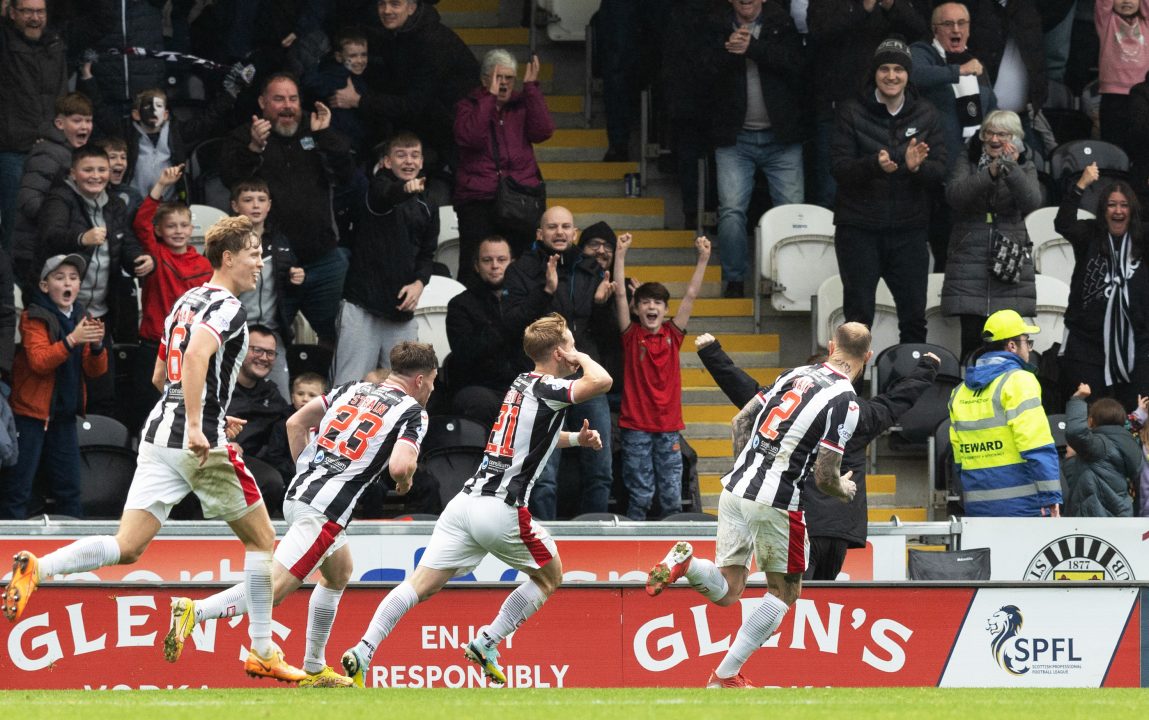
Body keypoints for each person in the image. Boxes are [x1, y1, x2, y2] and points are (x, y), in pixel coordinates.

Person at [1, 216, 305, 683]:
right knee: (263, 542)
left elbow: (162, 377)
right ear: (228, 257)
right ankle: (262, 649)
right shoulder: (227, 308)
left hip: (159, 434)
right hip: (195, 442)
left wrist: (209, 411)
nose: (259, 263)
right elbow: (199, 356)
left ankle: (39, 566)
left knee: (128, 547)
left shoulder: (186, 300)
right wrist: (204, 425)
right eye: (253, 252)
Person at [339, 313, 611, 688]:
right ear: (561, 351)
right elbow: (602, 381)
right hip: (500, 508)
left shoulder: (521, 384)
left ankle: (364, 648)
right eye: (569, 341)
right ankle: (487, 642)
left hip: (464, 504)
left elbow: (529, 441)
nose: (574, 346)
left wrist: (576, 440)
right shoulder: (549, 386)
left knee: (420, 585)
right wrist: (579, 355)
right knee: (550, 577)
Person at [163, 341, 438, 689]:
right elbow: (400, 465)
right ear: (419, 380)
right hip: (324, 511)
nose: (431, 387)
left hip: (301, 493)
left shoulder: (354, 388)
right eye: (432, 381)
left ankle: (314, 666)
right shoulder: (414, 412)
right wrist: (405, 480)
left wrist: (308, 474)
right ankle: (194, 611)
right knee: (274, 591)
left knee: (339, 572)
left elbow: (295, 423)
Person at [645, 322, 870, 687]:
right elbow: (825, 475)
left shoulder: (795, 374)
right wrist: (844, 490)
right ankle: (725, 675)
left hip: (736, 488)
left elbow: (740, 419)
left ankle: (688, 563)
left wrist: (745, 468)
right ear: (869, 358)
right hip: (777, 500)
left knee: (730, 590)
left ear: (831, 347)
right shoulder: (847, 402)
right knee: (785, 591)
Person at [694, 332, 939, 580]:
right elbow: (897, 400)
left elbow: (743, 389)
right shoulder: (862, 414)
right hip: (837, 530)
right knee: (817, 601)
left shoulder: (787, 408)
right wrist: (927, 367)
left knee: (790, 599)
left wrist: (711, 351)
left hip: (799, 518)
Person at [220, 73, 354, 347]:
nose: (287, 106)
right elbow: (231, 181)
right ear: (262, 102)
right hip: (271, 262)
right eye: (278, 99)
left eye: (293, 99)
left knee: (336, 338)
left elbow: (347, 175)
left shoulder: (314, 127)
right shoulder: (245, 135)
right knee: (269, 340)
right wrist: (253, 149)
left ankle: (329, 390)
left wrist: (325, 135)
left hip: (323, 258)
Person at [502, 207, 617, 519]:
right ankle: (542, 533)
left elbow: (607, 334)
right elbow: (511, 325)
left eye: (566, 226)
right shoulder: (521, 269)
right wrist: (546, 291)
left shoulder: (592, 268)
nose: (560, 232)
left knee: (600, 466)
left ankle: (595, 537)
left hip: (583, 373)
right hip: (545, 378)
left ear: (575, 232)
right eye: (552, 227)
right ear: (540, 233)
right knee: (545, 472)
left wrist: (601, 305)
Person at [832, 36, 946, 344]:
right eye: (885, 68)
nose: (892, 76)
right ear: (875, 72)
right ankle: (848, 391)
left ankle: (910, 390)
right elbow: (839, 167)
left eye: (899, 69)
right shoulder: (851, 111)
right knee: (857, 320)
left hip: (909, 231)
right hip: (859, 228)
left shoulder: (927, 113)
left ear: (908, 74)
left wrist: (916, 167)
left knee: (913, 319)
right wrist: (873, 165)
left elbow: (940, 172)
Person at [708, 0, 809, 299]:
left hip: (782, 139)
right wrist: (729, 51)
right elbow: (700, 72)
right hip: (734, 138)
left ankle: (790, 283)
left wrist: (753, 48)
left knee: (793, 213)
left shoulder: (782, 23)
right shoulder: (714, 24)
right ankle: (735, 279)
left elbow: (798, 67)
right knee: (730, 212)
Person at [0, 254, 107, 519]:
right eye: (59, 278)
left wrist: (97, 347)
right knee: (18, 489)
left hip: (64, 416)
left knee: (70, 489)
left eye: (73, 278)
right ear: (45, 286)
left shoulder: (83, 315)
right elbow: (39, 361)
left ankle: (76, 553)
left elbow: (95, 371)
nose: (67, 283)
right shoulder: (33, 316)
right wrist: (72, 339)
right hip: (30, 415)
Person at [612, 232, 710, 520]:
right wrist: (621, 253)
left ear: (666, 310)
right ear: (636, 308)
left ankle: (675, 551)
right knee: (640, 495)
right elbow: (619, 292)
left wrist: (703, 258)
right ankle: (634, 551)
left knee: (670, 495)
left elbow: (691, 294)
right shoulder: (631, 336)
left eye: (658, 303)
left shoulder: (673, 334)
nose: (652, 307)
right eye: (645, 302)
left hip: (668, 429)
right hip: (635, 429)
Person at [334, 132, 437, 384]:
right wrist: (405, 190)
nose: (409, 161)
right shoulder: (376, 187)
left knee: (408, 386)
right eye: (401, 155)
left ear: (422, 161)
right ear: (387, 161)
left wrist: (419, 283)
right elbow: (387, 195)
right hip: (362, 306)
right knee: (348, 387)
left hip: (400, 311)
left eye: (414, 155)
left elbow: (428, 252)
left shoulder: (427, 203)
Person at [941, 110, 1042, 360]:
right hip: (969, 254)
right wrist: (990, 173)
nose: (995, 139)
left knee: (1006, 344)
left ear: (1016, 139)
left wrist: (1011, 168)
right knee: (972, 341)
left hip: (1009, 257)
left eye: (1003, 134)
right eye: (989, 133)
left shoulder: (1025, 164)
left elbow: (1032, 200)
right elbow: (955, 195)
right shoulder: (969, 158)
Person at [807, 0, 927, 208]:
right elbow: (819, 30)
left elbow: (919, 30)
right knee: (830, 185)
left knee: (881, 180)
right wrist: (863, 8)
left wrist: (891, 5)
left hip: (881, 107)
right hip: (835, 105)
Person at [948, 309, 1062, 517]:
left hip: (977, 505)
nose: (1029, 348)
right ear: (1012, 345)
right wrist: (1051, 496)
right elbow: (1035, 443)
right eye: (1027, 341)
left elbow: (958, 458)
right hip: (1022, 506)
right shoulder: (1019, 381)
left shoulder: (959, 391)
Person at [910, 2, 997, 270]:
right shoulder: (922, 53)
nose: (956, 29)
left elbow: (990, 111)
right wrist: (957, 72)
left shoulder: (976, 66)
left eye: (962, 23)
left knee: (962, 256)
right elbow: (914, 74)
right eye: (948, 24)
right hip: (931, 177)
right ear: (935, 29)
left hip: (968, 179)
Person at [1055, 163, 1149, 407]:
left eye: (1124, 205)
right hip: (1088, 346)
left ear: (1132, 210)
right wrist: (1081, 185)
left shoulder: (1143, 239)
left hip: (1136, 345)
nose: (1118, 210)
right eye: (1112, 205)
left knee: (1138, 417)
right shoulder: (1090, 235)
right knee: (1093, 417)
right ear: (1103, 209)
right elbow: (1063, 223)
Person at [453, 49, 553, 279]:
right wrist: (488, 98)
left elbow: (544, 131)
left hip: (520, 198)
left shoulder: (522, 103)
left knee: (524, 265)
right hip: (479, 199)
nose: (505, 84)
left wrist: (532, 90)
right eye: (499, 78)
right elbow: (471, 137)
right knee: (476, 265)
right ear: (485, 79)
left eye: (510, 78)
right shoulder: (467, 106)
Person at [131, 164, 212, 431]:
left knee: (182, 413)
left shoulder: (204, 264)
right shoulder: (156, 255)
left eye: (183, 225)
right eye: (170, 226)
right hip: (153, 344)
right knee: (148, 411)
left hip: (188, 349)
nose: (178, 231)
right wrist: (161, 186)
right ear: (159, 231)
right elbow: (142, 222)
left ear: (192, 229)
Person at [0, 0, 68, 249]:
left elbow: (100, 19)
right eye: (27, 11)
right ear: (11, 13)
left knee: (53, 219)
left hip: (52, 147)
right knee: (13, 222)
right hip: (13, 149)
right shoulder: (5, 43)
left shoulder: (56, 42)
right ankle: (8, 285)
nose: (34, 18)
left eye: (40, 11)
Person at [10, 92, 94, 289]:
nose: (84, 126)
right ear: (59, 124)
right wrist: (61, 222)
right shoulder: (47, 153)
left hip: (48, 249)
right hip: (33, 251)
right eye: (77, 120)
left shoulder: (72, 153)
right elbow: (29, 200)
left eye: (88, 121)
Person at [232, 178, 303, 400]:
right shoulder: (226, 242)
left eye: (261, 200)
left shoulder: (280, 240)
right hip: (237, 333)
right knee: (231, 398)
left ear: (269, 205)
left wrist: (296, 277)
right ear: (235, 206)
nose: (255, 205)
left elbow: (290, 289)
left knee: (282, 397)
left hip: (273, 333)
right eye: (248, 200)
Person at [446, 235, 522, 426]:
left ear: (512, 263)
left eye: (501, 260)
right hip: (481, 388)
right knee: (477, 401)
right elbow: (464, 354)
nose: (495, 266)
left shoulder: (524, 301)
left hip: (523, 387)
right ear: (476, 266)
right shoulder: (460, 305)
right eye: (487, 260)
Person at [1063, 383, 1139, 517]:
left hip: (1098, 523)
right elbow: (1084, 485)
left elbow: (1075, 432)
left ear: (1091, 421)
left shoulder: (1100, 446)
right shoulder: (1127, 444)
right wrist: (1071, 460)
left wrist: (1077, 399)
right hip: (1120, 518)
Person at [228, 325, 293, 465]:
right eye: (257, 350)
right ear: (241, 349)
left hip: (257, 464)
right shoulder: (219, 387)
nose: (264, 358)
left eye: (270, 353)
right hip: (220, 458)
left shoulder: (271, 393)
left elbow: (292, 421)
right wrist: (225, 444)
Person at [302, 27, 371, 155]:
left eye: (363, 54)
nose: (360, 60)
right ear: (339, 57)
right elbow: (312, 85)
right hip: (337, 142)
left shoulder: (358, 78)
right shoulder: (336, 75)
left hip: (350, 142)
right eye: (353, 56)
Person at [1096, 0, 1149, 151]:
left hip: (1141, 97)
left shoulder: (1146, 23)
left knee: (1138, 146)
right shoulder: (1106, 21)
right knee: (1113, 146)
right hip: (1113, 96)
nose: (1126, 0)